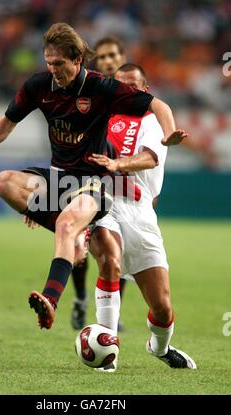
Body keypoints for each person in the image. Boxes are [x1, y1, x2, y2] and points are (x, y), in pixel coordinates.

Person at [0, 23, 187, 331]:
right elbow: (8, 121)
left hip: (93, 184)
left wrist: (169, 132)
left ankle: (51, 298)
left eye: (59, 64)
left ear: (78, 60)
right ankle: (76, 233)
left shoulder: (101, 88)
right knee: (3, 182)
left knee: (66, 224)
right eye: (49, 63)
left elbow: (158, 104)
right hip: (58, 180)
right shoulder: (39, 85)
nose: (53, 70)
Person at [87, 63, 196, 372]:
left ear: (145, 91)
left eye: (133, 86)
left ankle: (159, 347)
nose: (126, 92)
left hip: (141, 213)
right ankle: (107, 352)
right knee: (110, 258)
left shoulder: (151, 122)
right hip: (105, 204)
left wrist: (117, 165)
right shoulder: (99, 119)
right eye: (120, 86)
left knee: (162, 308)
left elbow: (149, 158)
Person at [71, 36, 127, 331]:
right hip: (88, 181)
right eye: (102, 56)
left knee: (122, 254)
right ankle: (81, 299)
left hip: (122, 184)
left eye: (113, 55)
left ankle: (112, 316)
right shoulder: (87, 94)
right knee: (79, 244)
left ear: (122, 57)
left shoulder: (129, 96)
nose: (107, 60)